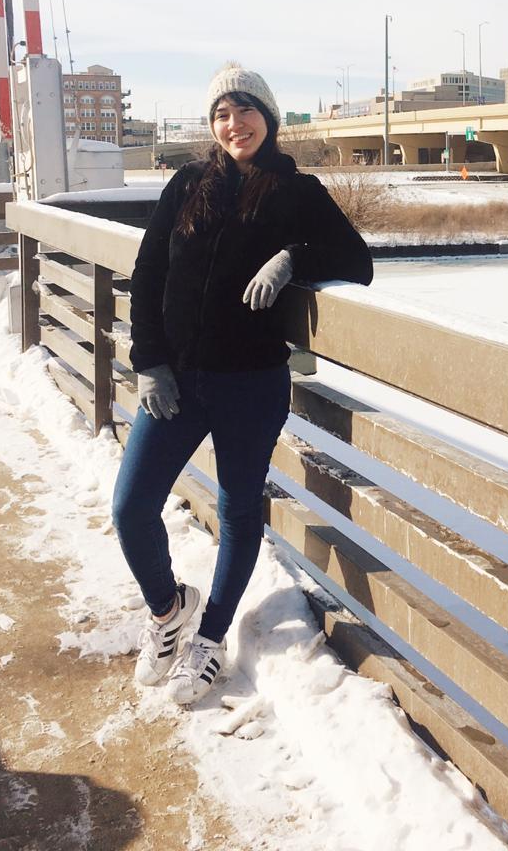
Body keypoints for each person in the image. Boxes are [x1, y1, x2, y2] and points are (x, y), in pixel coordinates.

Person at [112, 62, 373, 705]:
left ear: (270, 117)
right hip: (175, 381)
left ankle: (211, 639)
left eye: (246, 110)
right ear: (212, 125)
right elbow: (146, 276)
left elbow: (357, 262)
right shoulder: (187, 185)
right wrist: (149, 360)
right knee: (130, 505)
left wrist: (293, 259)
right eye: (222, 115)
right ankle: (170, 611)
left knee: (237, 511)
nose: (235, 124)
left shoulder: (296, 191)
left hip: (250, 383)